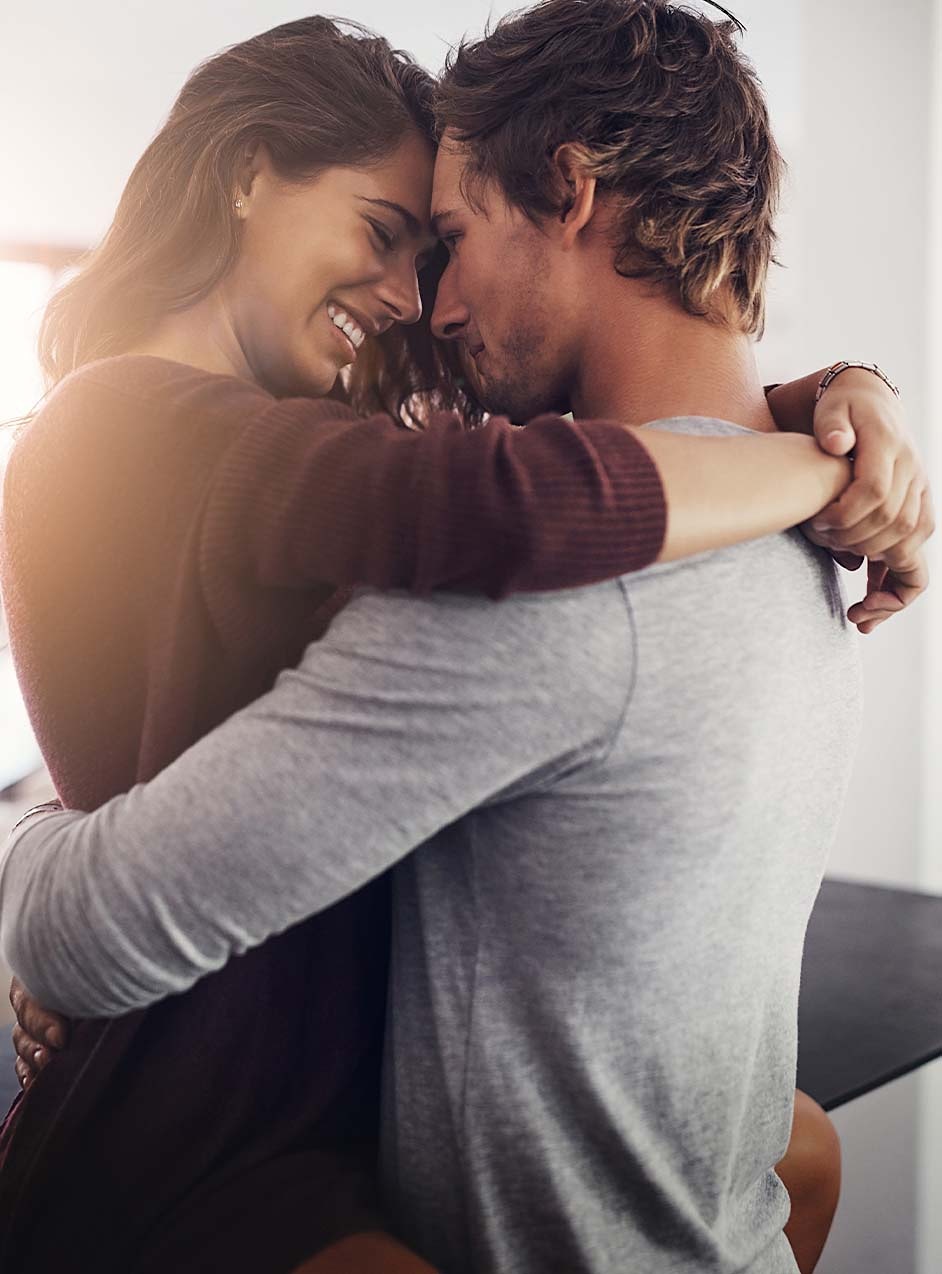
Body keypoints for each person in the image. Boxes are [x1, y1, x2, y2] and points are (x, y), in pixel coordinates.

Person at [0, 8, 931, 1274]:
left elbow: (503, 497)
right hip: (231, 1124)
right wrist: (820, 450)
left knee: (807, 1149)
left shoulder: (465, 533)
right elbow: (502, 496)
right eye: (394, 239)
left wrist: (821, 418)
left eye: (440, 243)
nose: (420, 303)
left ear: (568, 190)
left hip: (298, 1106)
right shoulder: (799, 563)